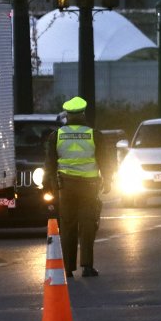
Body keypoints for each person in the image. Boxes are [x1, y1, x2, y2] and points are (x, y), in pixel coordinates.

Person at [44, 96, 116, 278]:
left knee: (67, 226)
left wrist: (49, 185)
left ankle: (67, 268)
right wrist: (108, 180)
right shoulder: (94, 134)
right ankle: (87, 266)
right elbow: (105, 161)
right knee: (87, 226)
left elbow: (50, 163)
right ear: (83, 114)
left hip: (66, 187)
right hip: (89, 187)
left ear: (67, 115)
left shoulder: (56, 135)